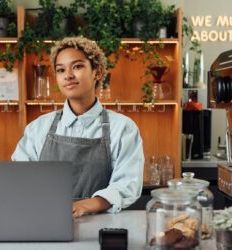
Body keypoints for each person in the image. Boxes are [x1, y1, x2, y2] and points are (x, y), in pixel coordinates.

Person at [12, 36, 144, 218]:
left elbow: (128, 183)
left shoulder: (122, 128)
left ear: (97, 72)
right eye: (60, 70)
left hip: (102, 224)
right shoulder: (38, 128)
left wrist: (85, 205)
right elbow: (20, 178)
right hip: (46, 220)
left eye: (77, 66)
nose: (68, 75)